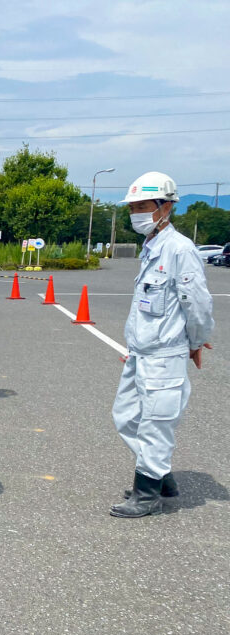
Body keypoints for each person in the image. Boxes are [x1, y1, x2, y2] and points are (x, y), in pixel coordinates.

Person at [110, 172, 214, 518]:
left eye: (143, 206)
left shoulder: (179, 249)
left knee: (156, 423)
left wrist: (196, 342)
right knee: (126, 417)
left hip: (165, 355)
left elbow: (196, 303)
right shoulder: (152, 247)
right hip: (140, 353)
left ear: (166, 206)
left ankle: (147, 493)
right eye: (133, 207)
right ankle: (161, 475)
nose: (136, 213)